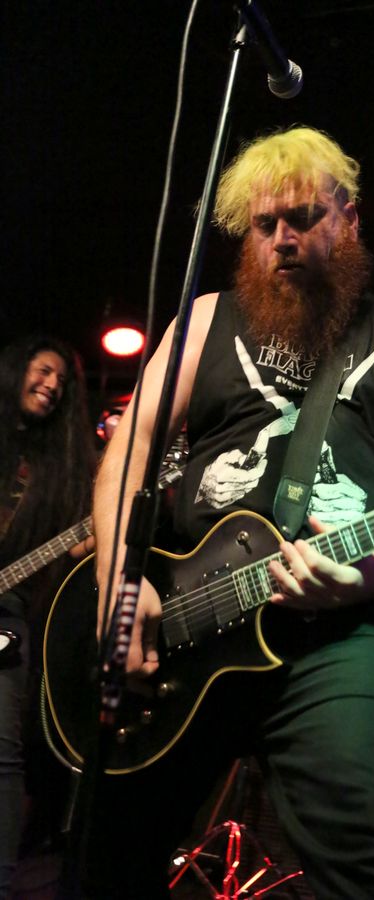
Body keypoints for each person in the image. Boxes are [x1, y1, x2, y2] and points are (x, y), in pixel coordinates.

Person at [86, 126, 374, 899]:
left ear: (350, 220)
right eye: (264, 224)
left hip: (346, 631)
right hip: (185, 629)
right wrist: (116, 589)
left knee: (369, 862)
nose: (282, 239)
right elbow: (128, 453)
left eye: (303, 218)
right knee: (106, 848)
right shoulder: (204, 320)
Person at [0, 335, 96, 898]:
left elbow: (73, 546)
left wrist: (91, 543)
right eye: (44, 371)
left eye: (62, 381)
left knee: (3, 756)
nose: (53, 385)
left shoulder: (62, 467)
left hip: (9, 615)